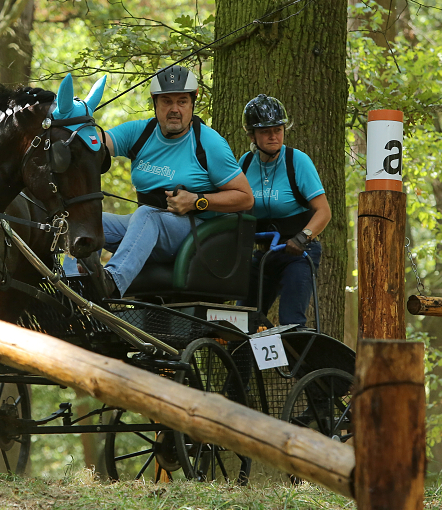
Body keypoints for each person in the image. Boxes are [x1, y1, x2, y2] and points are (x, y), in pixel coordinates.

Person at [72, 64, 253, 298]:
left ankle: (111, 283)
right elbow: (95, 144)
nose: (174, 109)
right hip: (146, 231)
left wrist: (197, 201)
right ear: (155, 104)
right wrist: (74, 126)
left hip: (195, 235)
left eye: (182, 101)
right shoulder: (141, 132)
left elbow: (246, 198)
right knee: (85, 218)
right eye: (166, 101)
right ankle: (74, 286)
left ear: (192, 104)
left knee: (146, 215)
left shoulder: (209, 143)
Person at [238, 94, 331, 327]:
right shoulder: (245, 164)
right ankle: (246, 363)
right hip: (263, 253)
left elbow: (323, 212)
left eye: (278, 129)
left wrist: (302, 238)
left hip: (298, 253)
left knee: (291, 321)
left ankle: (301, 362)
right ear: (252, 135)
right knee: (244, 320)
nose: (273, 136)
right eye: (265, 131)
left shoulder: (297, 161)